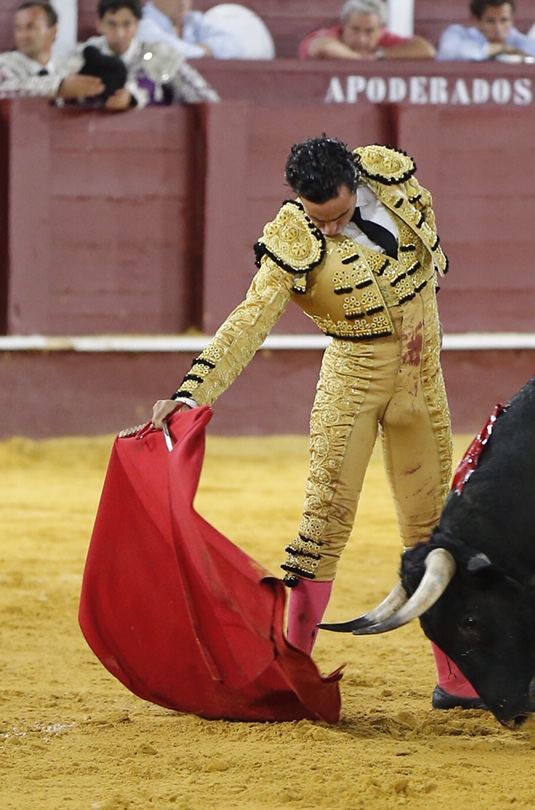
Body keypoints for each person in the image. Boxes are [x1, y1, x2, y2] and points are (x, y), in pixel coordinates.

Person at [143, 136, 471, 710]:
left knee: (434, 530)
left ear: (356, 182)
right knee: (323, 529)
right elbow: (248, 322)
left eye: (341, 215)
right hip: (353, 384)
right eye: (321, 221)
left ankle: (457, 676)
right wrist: (191, 391)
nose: (333, 229)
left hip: (422, 380)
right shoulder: (292, 239)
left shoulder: (395, 180)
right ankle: (292, 674)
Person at [75, 0, 220, 108]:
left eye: (127, 24)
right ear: (99, 24)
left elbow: (205, 98)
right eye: (112, 24)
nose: (120, 34)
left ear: (137, 25)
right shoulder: (81, 56)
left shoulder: (158, 55)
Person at [0, 0, 108, 101]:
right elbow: (5, 87)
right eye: (18, 28)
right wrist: (58, 86)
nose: (23, 35)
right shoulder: (4, 63)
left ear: (53, 31)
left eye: (31, 27)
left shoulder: (68, 68)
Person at [138, 0, 246, 60]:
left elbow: (237, 45)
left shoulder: (194, 19)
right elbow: (170, 52)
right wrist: (206, 51)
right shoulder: (140, 22)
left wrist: (204, 49)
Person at [436, 0, 535, 62]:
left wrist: (521, 54)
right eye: (491, 21)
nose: (498, 29)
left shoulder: (516, 40)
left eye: (504, 20)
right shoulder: (459, 33)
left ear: (512, 20)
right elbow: (448, 52)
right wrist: (499, 49)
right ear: (476, 20)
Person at [299, 0, 436, 59]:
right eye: (355, 30)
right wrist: (362, 59)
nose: (362, 39)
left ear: (380, 30)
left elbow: (427, 51)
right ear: (344, 25)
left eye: (369, 31)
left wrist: (380, 54)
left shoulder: (385, 37)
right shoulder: (330, 35)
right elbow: (323, 48)